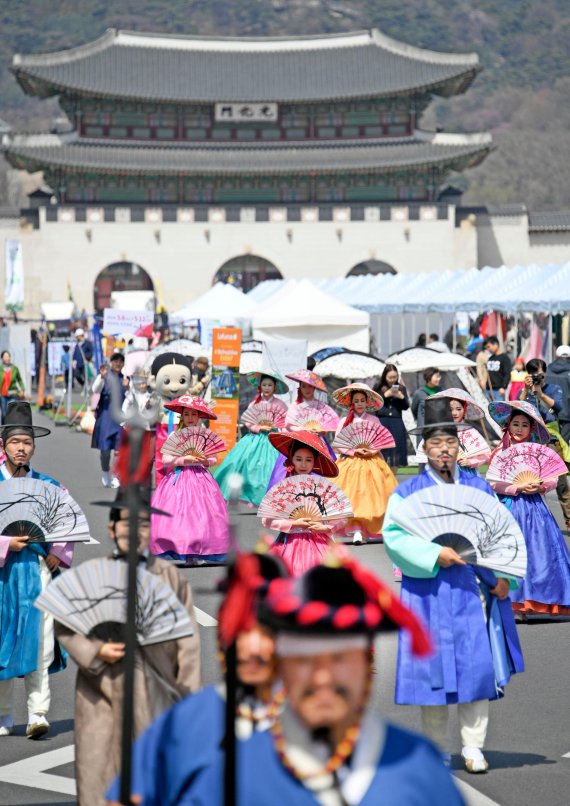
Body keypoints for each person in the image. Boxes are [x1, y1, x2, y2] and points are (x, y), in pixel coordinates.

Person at [166, 553, 465, 805]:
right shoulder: (232, 772)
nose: (323, 678)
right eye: (306, 660)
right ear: (283, 666)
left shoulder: (419, 767)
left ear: (367, 665)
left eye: (340, 660)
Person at [383, 397, 524, 773]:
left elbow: (497, 533)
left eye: (450, 442)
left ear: (459, 446)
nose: (444, 449)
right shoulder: (407, 493)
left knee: (474, 667)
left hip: (469, 587)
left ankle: (473, 747)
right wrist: (432, 554)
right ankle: (435, 749)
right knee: (433, 672)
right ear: (424, 448)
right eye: (435, 443)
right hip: (425, 590)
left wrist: (502, 577)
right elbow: (393, 537)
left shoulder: (479, 488)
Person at [106, 550, 288, 806]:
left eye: (266, 634)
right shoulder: (187, 720)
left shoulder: (316, 715)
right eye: (241, 633)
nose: (253, 649)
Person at [56, 488, 201, 806]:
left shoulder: (168, 576)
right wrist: (94, 652)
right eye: (126, 523)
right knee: (99, 776)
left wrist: (187, 700)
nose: (135, 532)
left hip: (157, 690)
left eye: (144, 524)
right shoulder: (92, 575)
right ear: (111, 529)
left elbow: (188, 643)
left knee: (154, 782)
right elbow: (65, 624)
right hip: (101, 693)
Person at [0, 402, 74, 739]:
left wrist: (58, 551)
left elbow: (66, 523)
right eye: (14, 442)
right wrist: (5, 545)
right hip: (2, 575)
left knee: (40, 642)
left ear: (34, 447)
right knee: (1, 643)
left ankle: (37, 713)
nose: (20, 448)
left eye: (26, 443)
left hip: (36, 570)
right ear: (3, 446)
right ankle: (3, 714)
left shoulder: (48, 484)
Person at [487, 400, 570, 619]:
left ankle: (541, 601)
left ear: (531, 428)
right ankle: (513, 603)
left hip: (536, 509)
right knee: (511, 553)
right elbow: (493, 480)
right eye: (516, 424)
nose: (520, 429)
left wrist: (541, 486)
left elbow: (553, 478)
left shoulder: (538, 452)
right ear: (508, 425)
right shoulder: (500, 451)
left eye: (525, 425)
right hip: (509, 506)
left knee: (541, 553)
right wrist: (516, 486)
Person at [151, 395, 230, 565]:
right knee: (181, 514)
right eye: (187, 414)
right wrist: (184, 460)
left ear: (199, 416)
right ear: (181, 416)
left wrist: (203, 461)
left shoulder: (205, 436)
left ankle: (198, 550)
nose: (190, 418)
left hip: (201, 478)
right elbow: (165, 458)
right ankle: (184, 550)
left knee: (202, 515)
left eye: (194, 414)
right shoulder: (175, 434)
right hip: (179, 478)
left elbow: (213, 459)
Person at [261, 430, 343, 576]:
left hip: (320, 542)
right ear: (291, 459)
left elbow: (341, 517)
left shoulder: (322, 487)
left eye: (308, 459)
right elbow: (266, 520)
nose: (303, 464)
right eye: (298, 459)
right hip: (291, 542)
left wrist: (326, 527)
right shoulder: (284, 486)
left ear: (315, 462)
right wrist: (293, 524)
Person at [332, 383, 397, 544]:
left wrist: (372, 450)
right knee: (351, 495)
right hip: (351, 463)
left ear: (367, 402)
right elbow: (338, 443)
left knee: (371, 496)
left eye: (362, 400)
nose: (359, 403)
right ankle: (356, 529)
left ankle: (365, 529)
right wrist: (354, 452)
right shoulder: (344, 421)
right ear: (351, 403)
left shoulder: (374, 419)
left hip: (372, 461)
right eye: (356, 400)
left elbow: (381, 440)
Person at [214, 371, 288, 506]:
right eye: (264, 385)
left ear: (274, 388)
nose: (266, 388)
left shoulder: (280, 405)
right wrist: (259, 428)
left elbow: (284, 422)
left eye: (269, 385)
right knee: (239, 462)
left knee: (271, 467)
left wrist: (277, 430)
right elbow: (248, 421)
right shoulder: (254, 403)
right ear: (260, 386)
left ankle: (269, 499)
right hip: (255, 439)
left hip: (273, 440)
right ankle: (233, 492)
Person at [517, 358, 570, 530]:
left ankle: (569, 519)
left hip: (550, 437)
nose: (537, 377)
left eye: (539, 374)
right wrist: (526, 389)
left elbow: (559, 408)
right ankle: (537, 519)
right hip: (531, 438)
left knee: (560, 482)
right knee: (533, 480)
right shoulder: (526, 390)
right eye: (533, 374)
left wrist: (540, 393)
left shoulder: (553, 388)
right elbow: (518, 406)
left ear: (545, 373)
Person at [267, 369, 339, 488]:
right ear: (300, 388)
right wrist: (303, 430)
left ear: (314, 388)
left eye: (310, 386)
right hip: (298, 442)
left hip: (317, 442)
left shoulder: (321, 406)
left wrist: (321, 431)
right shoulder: (295, 406)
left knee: (319, 471)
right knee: (286, 473)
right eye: (304, 386)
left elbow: (326, 425)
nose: (307, 389)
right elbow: (289, 424)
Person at [415, 388, 490, 475]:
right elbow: (427, 455)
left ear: (464, 410)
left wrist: (470, 462)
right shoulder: (436, 431)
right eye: (451, 409)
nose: (455, 413)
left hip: (466, 474)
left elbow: (485, 455)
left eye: (459, 409)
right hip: (441, 473)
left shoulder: (470, 431)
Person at [92, 353, 128, 488]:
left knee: (119, 451)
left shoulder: (126, 379)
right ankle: (105, 471)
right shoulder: (104, 377)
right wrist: (101, 377)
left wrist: (128, 387)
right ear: (111, 362)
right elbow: (95, 389)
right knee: (105, 451)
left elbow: (132, 399)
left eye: (121, 361)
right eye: (115, 361)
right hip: (106, 418)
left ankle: (116, 475)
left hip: (120, 421)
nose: (118, 364)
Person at [374, 364, 410, 467]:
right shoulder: (378, 387)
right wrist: (385, 395)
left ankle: (395, 474)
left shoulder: (401, 388)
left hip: (396, 421)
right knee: (383, 448)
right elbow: (373, 404)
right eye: (390, 377)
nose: (392, 380)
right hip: (382, 421)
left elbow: (406, 406)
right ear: (384, 376)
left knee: (397, 449)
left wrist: (401, 397)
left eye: (395, 377)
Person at [546, 344, 570, 443]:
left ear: (556, 356)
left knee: (551, 442)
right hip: (567, 411)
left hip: (550, 411)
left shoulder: (547, 369)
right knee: (564, 444)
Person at [483, 336, 511, 401]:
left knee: (499, 410)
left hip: (498, 390)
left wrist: (503, 387)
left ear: (496, 344)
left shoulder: (505, 358)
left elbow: (507, 374)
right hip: (488, 389)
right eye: (486, 347)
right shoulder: (490, 358)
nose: (488, 349)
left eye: (489, 346)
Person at [0, 350, 25, 423]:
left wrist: (22, 390)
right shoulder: (0, 369)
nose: (8, 358)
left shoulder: (15, 368)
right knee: (4, 414)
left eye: (8, 356)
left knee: (12, 412)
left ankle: (11, 430)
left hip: (13, 394)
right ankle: (4, 430)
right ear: (2, 358)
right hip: (2, 395)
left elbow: (20, 380)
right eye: (5, 356)